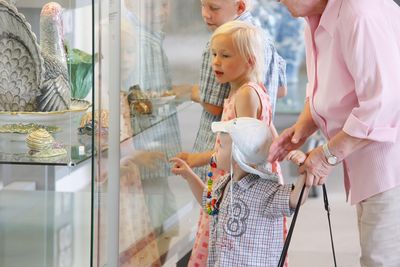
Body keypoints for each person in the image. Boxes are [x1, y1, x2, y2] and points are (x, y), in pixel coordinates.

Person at [268, 1, 400, 266]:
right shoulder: (315, 18)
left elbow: (382, 105)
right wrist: (303, 126)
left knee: (380, 259)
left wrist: (327, 155)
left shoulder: (359, 14)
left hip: (390, 164)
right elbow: (323, 86)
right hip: (366, 162)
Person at [177, 20, 285, 266]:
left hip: (239, 188)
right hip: (231, 181)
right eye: (214, 54)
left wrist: (202, 159)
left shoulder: (246, 94)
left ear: (249, 60)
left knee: (226, 247)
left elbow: (244, 149)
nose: (216, 61)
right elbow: (268, 133)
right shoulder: (246, 91)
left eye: (225, 55)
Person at [171, 117, 309, 266]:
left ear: (238, 157)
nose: (216, 150)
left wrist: (304, 169)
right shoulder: (225, 183)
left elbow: (296, 199)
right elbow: (208, 201)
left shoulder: (266, 191)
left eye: (221, 146)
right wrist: (189, 175)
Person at [184, 0, 287, 182]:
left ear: (240, 7)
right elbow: (281, 90)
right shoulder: (261, 36)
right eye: (202, 5)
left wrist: (189, 92)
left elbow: (215, 109)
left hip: (232, 175)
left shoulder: (224, 40)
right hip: (239, 169)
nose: (205, 14)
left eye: (214, 8)